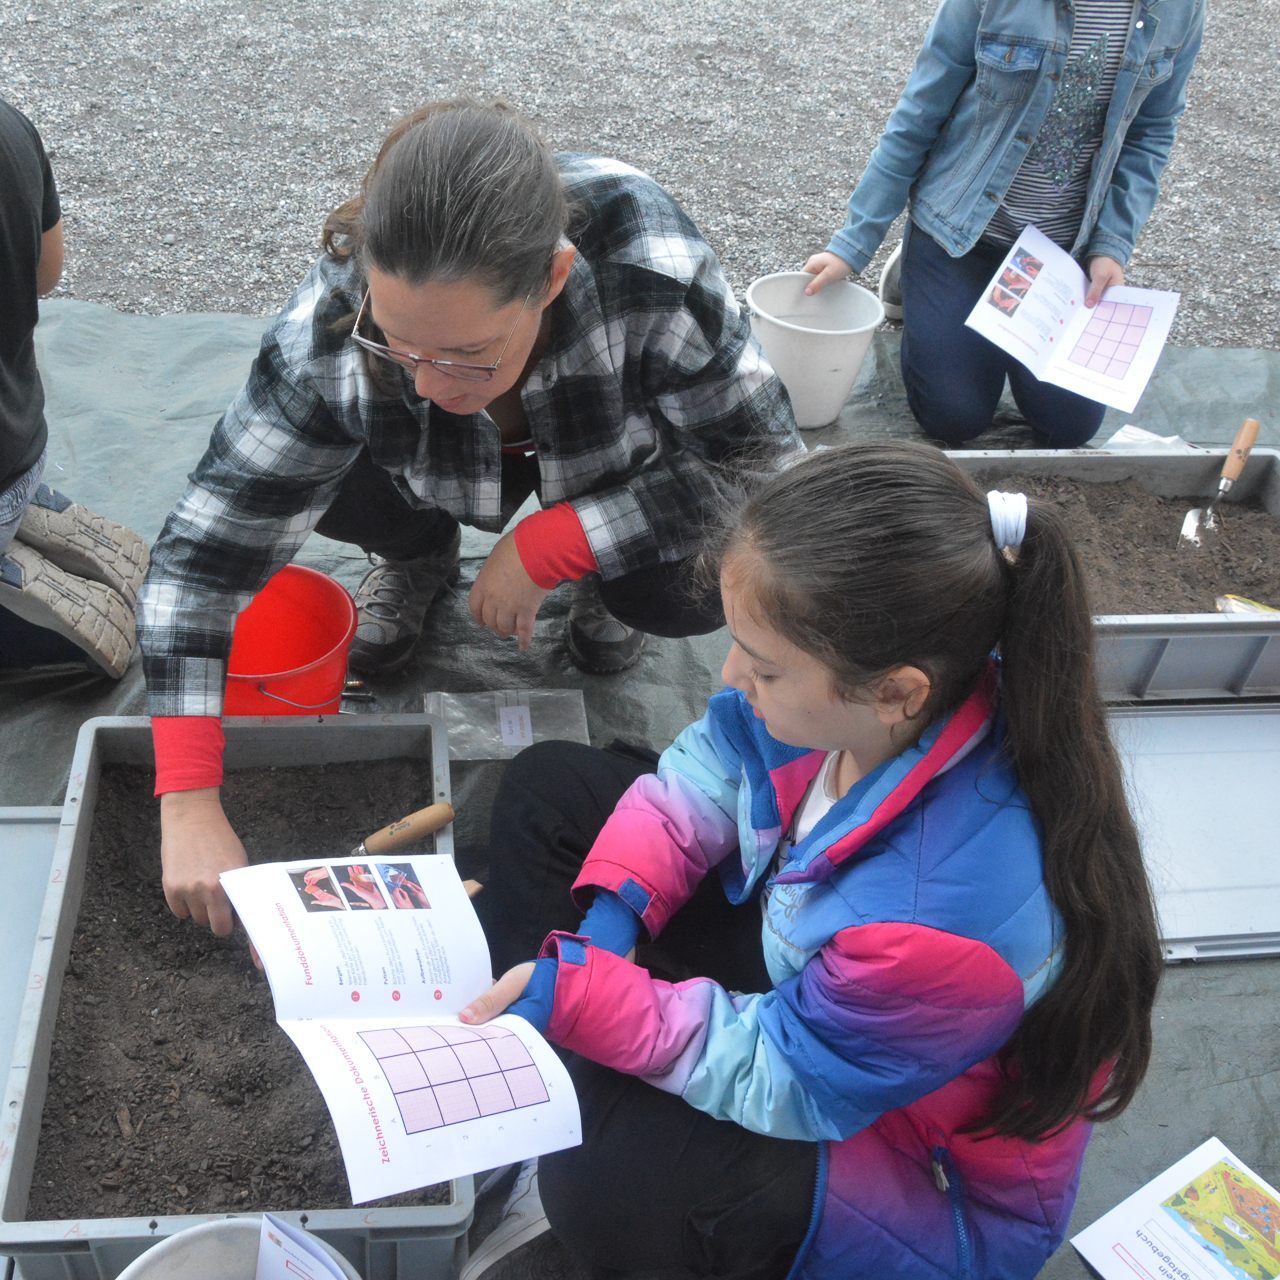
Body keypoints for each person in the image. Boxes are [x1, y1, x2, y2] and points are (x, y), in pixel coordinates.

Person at [460, 441, 1162, 1280]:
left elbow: (791, 1075)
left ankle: (560, 1085)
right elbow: (723, 755)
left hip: (899, 1156)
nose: (728, 674)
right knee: (550, 788)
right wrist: (615, 913)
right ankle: (550, 1068)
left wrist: (590, 1000)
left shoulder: (938, 916)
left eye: (761, 667)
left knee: (602, 1182)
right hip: (818, 954)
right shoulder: (898, 688)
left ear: (896, 691)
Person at [139, 97, 799, 936]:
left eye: (464, 354)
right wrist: (188, 796)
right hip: (434, 481)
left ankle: (610, 581)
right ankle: (416, 554)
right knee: (319, 467)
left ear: (551, 281)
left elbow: (767, 472)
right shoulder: (338, 326)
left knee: (690, 588)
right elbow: (203, 554)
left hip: (612, 468)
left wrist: (569, 539)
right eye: (399, 345)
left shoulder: (651, 271)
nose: (425, 385)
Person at [803, 0, 1205, 448]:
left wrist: (1111, 245)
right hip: (960, 236)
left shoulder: (1180, 8)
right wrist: (852, 243)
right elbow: (920, 112)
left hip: (1058, 253)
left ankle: (965, 318)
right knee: (953, 418)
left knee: (1070, 427)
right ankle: (917, 276)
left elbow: (1152, 132)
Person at [0, 96, 148, 677]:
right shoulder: (10, 125)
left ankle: (31, 629)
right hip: (21, 442)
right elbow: (47, 271)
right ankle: (22, 514)